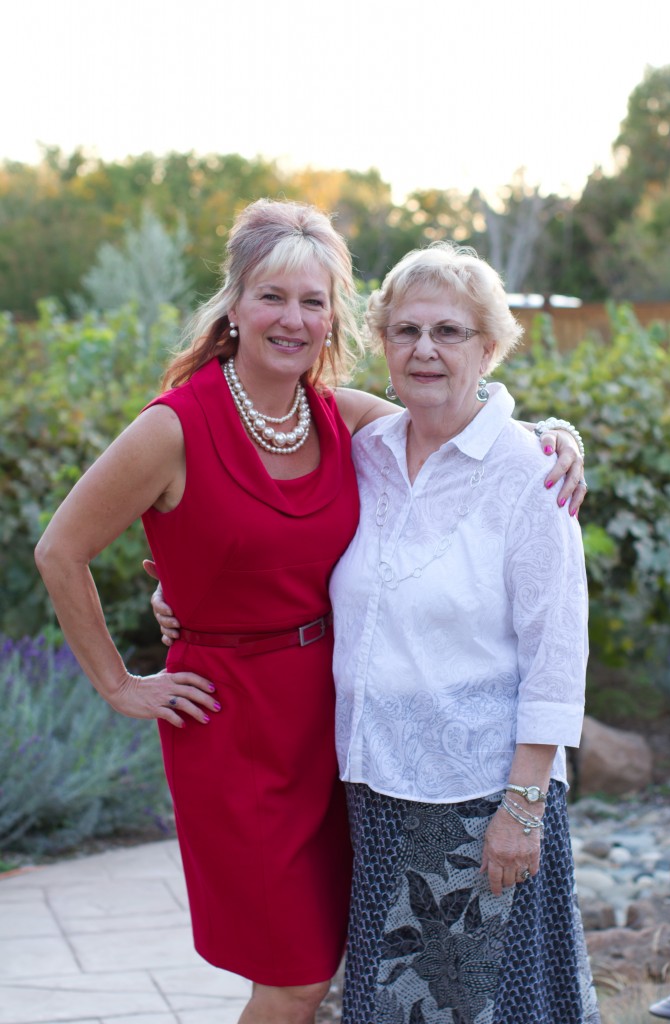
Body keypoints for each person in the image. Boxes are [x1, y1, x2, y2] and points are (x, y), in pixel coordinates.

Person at [36, 199, 585, 1024]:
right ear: (234, 304)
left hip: (339, 731)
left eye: (312, 301)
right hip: (236, 722)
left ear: (333, 319)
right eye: (272, 296)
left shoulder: (341, 419)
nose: (292, 319)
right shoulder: (176, 427)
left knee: (357, 961)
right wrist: (120, 684)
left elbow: (459, 429)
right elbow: (60, 550)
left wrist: (551, 435)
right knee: (294, 975)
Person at [329, 244, 600, 1023]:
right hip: (373, 790)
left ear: (488, 348)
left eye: (448, 331)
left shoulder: (529, 470)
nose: (424, 349)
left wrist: (522, 807)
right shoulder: (363, 453)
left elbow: (556, 652)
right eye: (405, 330)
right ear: (382, 343)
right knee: (387, 1007)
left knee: (486, 1006)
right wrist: (180, 595)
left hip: (480, 800)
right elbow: (268, 529)